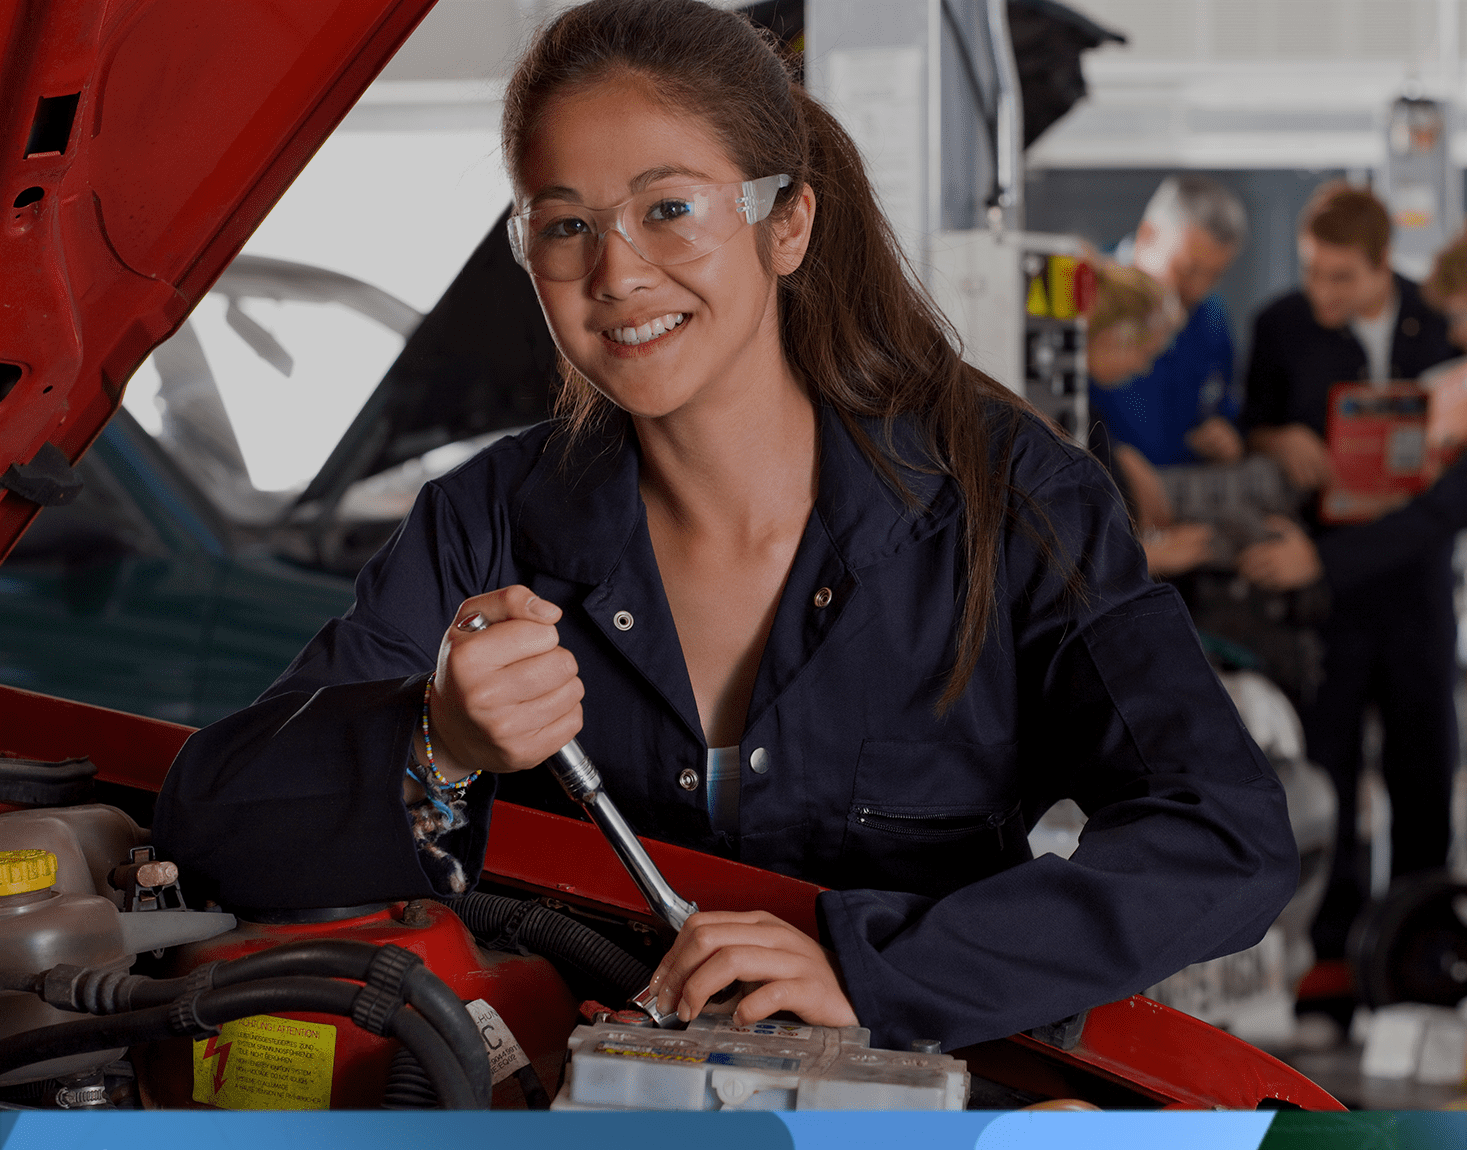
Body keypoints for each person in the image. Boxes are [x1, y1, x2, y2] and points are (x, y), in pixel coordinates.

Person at [153, 0, 1295, 1053]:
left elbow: (1223, 838)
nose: (616, 272)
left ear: (786, 222)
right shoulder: (484, 523)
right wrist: (437, 741)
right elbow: (213, 819)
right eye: (564, 226)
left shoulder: (1009, 501)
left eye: (669, 210)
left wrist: (881, 971)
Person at [1239, 184, 1466, 965]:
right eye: (1311, 273)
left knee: (1423, 770)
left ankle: (1418, 950)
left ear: (1380, 267)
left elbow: (1447, 503)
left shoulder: (1440, 322)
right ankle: (1331, 957)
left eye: (1341, 277)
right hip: (1324, 598)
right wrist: (1273, 439)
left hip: (1413, 586)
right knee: (1326, 770)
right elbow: (1247, 431)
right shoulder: (1281, 326)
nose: (1321, 292)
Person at [1089, 174, 1249, 472]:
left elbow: (1221, 404)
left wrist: (1224, 435)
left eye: (1214, 276)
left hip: (1181, 492)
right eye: (1187, 270)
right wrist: (1109, 458)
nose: (1197, 290)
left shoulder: (1212, 319)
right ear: (1148, 234)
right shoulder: (1085, 293)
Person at [1084, 259, 1214, 579]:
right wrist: (1147, 557)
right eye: (1145, 354)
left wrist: (1121, 453)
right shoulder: (1050, 416)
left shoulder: (1085, 410)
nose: (1143, 369)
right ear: (1115, 337)